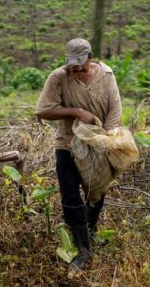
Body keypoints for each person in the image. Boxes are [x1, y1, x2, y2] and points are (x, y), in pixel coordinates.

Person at [35, 38, 122, 270]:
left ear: (91, 58)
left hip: (98, 142)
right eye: (74, 67)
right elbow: (42, 110)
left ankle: (90, 234)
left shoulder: (106, 75)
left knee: (97, 191)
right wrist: (75, 111)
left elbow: (115, 107)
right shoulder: (58, 77)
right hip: (68, 144)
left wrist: (109, 136)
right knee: (70, 195)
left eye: (82, 66)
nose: (78, 71)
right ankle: (83, 249)